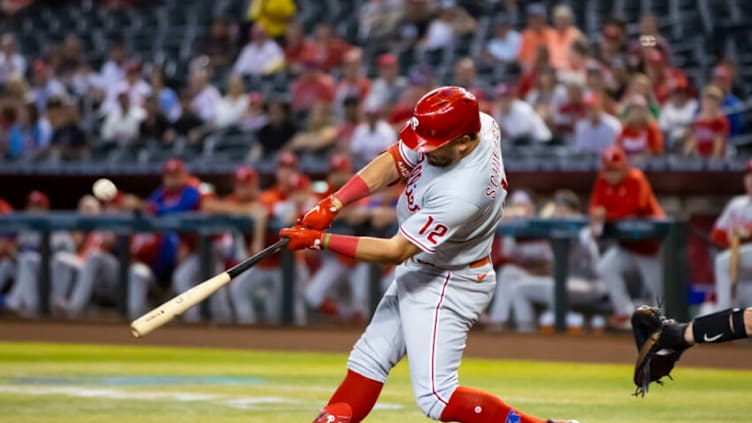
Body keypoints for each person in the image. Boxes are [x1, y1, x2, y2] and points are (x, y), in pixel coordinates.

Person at [278, 86, 577, 423]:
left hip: (450, 280)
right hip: (427, 265)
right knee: (369, 359)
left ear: (464, 142)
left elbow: (395, 250)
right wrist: (333, 202)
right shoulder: (478, 124)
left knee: (437, 396)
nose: (423, 150)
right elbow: (395, 158)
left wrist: (320, 241)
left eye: (433, 147)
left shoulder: (463, 192)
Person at [496, 190, 606, 333]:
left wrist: (591, 228)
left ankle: (547, 332)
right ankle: (525, 331)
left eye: (565, 210)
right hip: (563, 282)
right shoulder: (551, 227)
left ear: (576, 212)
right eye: (558, 209)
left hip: (588, 284)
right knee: (518, 287)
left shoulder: (583, 230)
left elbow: (590, 234)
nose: (560, 214)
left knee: (545, 287)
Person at [590, 146, 665, 329]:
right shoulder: (602, 180)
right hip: (627, 246)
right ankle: (624, 313)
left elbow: (632, 210)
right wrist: (597, 214)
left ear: (624, 166)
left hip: (649, 246)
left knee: (656, 289)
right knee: (606, 267)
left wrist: (604, 215)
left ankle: (662, 325)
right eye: (608, 169)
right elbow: (594, 207)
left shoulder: (636, 178)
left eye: (615, 169)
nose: (611, 174)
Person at [204, 166, 269, 324]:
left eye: (248, 185)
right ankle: (250, 335)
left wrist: (257, 239)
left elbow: (262, 211)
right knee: (239, 290)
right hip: (258, 264)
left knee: (286, 311)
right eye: (241, 185)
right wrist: (242, 210)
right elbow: (208, 206)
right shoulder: (236, 201)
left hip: (281, 262)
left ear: (256, 185)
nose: (244, 190)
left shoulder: (266, 198)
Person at [709, 160, 752, 310]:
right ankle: (725, 314)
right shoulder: (736, 204)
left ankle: (723, 314)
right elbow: (717, 233)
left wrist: (746, 232)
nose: (750, 179)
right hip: (742, 269)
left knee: (722, 262)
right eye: (748, 175)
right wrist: (731, 234)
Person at [683, 85, 729, 160]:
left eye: (713, 101)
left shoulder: (721, 121)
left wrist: (711, 163)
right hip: (700, 161)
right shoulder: (698, 119)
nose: (709, 104)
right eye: (707, 100)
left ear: (718, 103)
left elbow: (717, 151)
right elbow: (693, 142)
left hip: (717, 163)